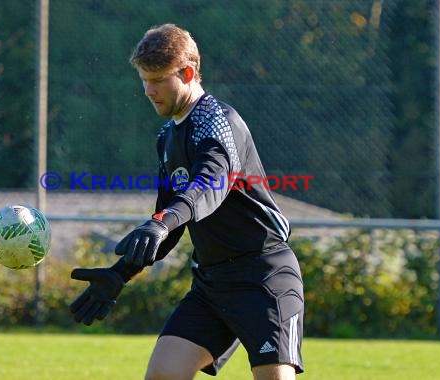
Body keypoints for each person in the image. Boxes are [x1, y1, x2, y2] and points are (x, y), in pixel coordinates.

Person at [69, 23, 305, 380]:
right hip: (212, 284)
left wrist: (162, 222)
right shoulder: (168, 136)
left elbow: (208, 186)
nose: (149, 90)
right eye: (144, 80)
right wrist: (121, 273)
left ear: (189, 73)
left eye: (158, 79)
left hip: (264, 277)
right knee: (163, 374)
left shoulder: (218, 123)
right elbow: (170, 221)